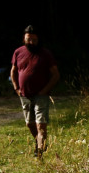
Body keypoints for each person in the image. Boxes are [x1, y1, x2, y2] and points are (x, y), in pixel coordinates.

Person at [10, 25, 60, 157]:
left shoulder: (46, 54)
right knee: (30, 124)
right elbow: (13, 71)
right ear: (24, 39)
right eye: (28, 39)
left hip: (41, 96)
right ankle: (39, 142)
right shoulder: (18, 52)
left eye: (33, 40)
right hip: (24, 95)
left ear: (38, 40)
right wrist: (16, 88)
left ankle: (39, 152)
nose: (31, 42)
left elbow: (55, 75)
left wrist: (45, 91)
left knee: (41, 125)